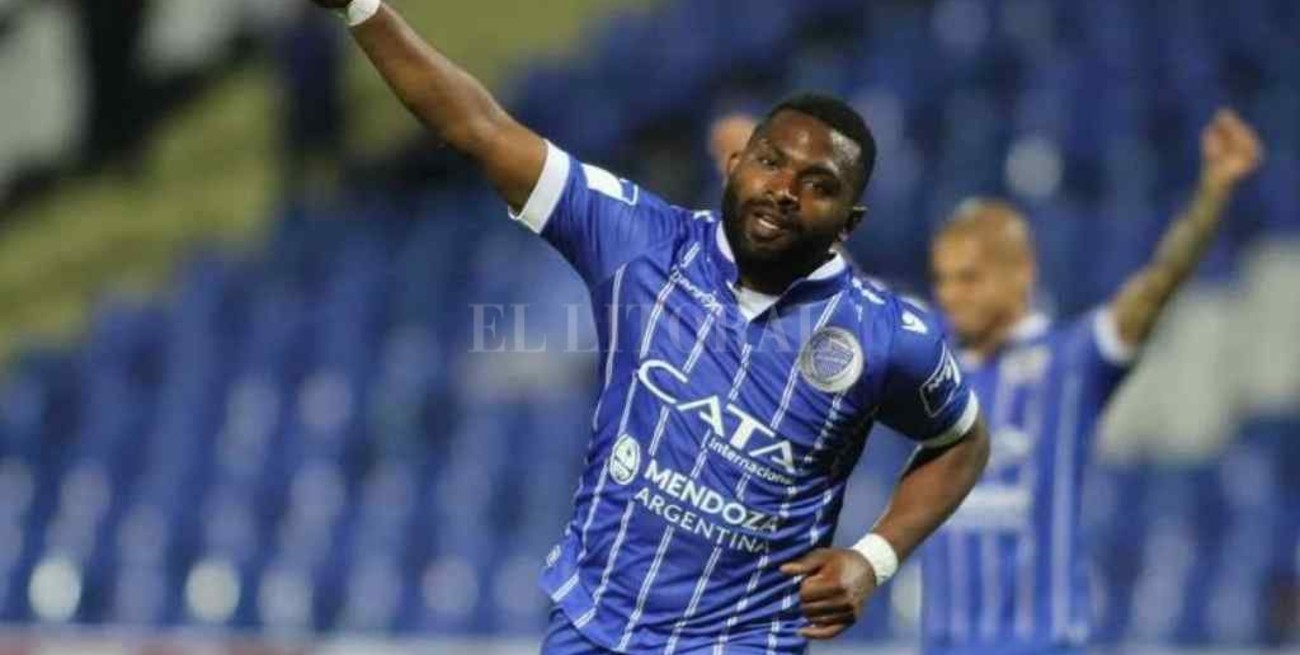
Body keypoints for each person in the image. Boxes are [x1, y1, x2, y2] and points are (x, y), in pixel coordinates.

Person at [310, 1, 990, 653]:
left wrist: (874, 558)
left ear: (850, 222)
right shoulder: (637, 242)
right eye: (771, 161)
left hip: (741, 642)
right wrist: (362, 8)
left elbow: (962, 441)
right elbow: (480, 129)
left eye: (818, 183)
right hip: (591, 624)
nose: (785, 188)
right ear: (735, 165)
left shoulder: (886, 336)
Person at [923, 109, 1264, 655]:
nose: (951, 294)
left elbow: (1157, 286)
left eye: (970, 278)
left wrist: (1212, 194)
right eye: (942, 279)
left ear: (1020, 276)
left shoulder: (1069, 362)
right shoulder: (929, 364)